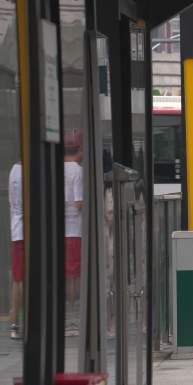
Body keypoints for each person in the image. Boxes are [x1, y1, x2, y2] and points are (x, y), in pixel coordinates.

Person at [64, 133, 84, 335]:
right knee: (74, 277)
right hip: (74, 230)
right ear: (79, 150)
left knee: (65, 275)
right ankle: (72, 319)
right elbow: (78, 203)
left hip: (61, 231)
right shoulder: (77, 171)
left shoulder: (57, 167)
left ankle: (67, 316)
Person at [8, 160, 23, 340]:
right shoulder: (27, 172)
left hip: (17, 230)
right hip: (26, 231)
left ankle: (14, 322)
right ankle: (15, 323)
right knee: (20, 280)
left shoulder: (13, 170)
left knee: (18, 279)